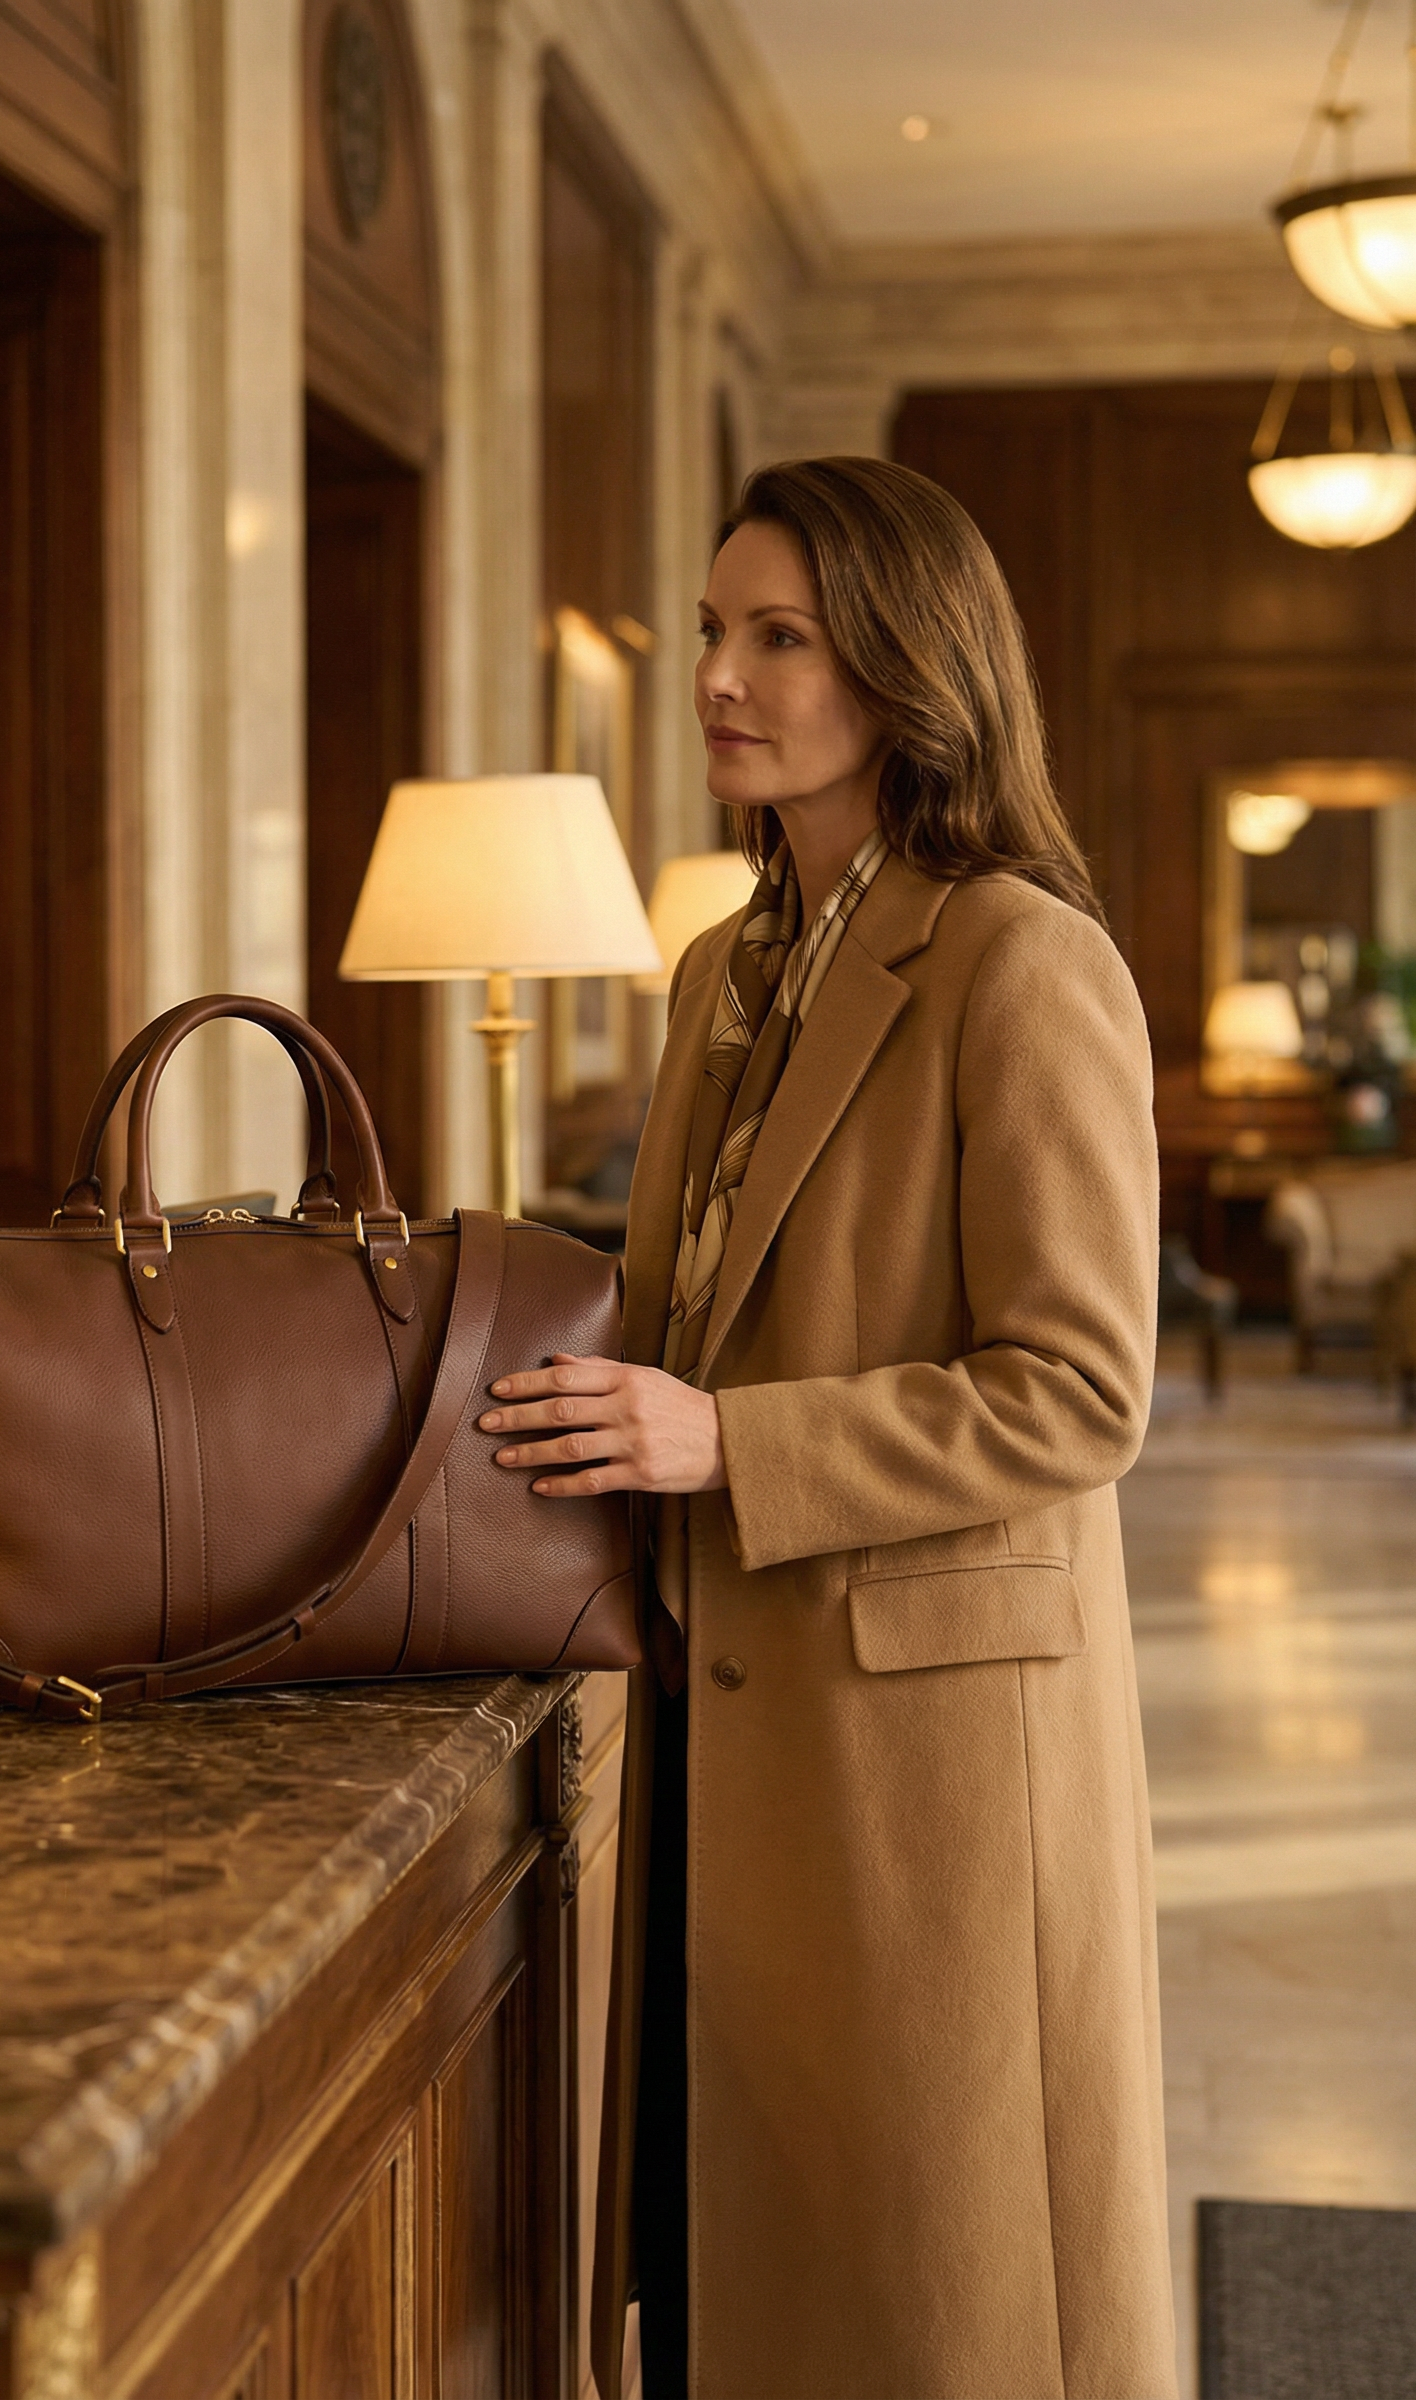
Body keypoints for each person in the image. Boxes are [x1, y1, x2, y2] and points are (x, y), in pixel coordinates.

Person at [478, 457, 1176, 2398]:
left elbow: (1077, 1389)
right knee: (732, 2272)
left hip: (926, 1755)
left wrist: (727, 1448)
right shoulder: (719, 968)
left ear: (902, 663)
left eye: (776, 635)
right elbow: (681, 1310)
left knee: (937, 2295)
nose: (720, 672)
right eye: (712, 629)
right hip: (714, 1714)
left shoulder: (1018, 961)